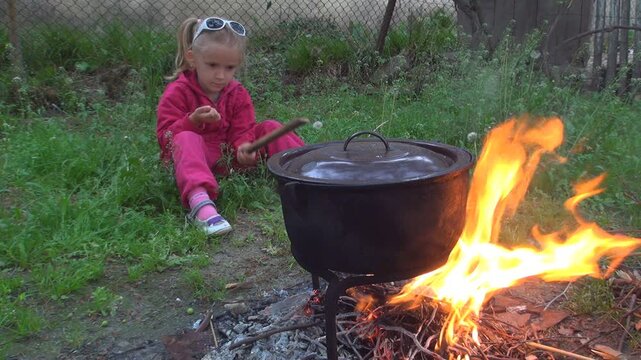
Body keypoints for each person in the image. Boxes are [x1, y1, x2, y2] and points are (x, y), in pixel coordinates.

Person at [156, 17, 304, 236]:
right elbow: (166, 137)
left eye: (229, 67)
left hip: (229, 159)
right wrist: (193, 121)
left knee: (271, 127)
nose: (220, 75)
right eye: (212, 65)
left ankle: (307, 174)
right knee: (186, 138)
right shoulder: (177, 92)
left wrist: (244, 146)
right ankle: (201, 204)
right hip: (193, 160)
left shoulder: (237, 93)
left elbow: (243, 129)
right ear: (192, 58)